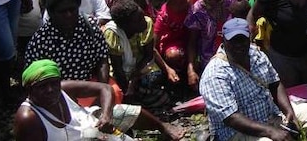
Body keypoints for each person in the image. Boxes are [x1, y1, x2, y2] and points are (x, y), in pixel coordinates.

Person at [199, 18, 307, 141]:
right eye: (233, 41)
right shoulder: (215, 74)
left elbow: (275, 83)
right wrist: (270, 131)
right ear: (224, 41)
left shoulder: (255, 53)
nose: (239, 45)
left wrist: (288, 111)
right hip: (237, 132)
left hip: (271, 114)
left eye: (243, 39)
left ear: (249, 38)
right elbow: (231, 118)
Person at [15, 59, 183, 140]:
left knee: (122, 111)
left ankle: (162, 126)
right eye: (42, 87)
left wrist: (107, 115)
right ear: (29, 90)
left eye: (53, 83)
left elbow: (105, 88)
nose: (50, 90)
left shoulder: (63, 89)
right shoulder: (28, 118)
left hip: (92, 127)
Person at [25, 0, 110, 83]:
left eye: (72, 10)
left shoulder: (90, 26)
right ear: (51, 13)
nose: (69, 15)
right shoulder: (40, 42)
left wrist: (102, 88)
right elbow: (36, 79)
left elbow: (102, 60)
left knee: (114, 92)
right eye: (63, 11)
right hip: (57, 91)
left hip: (90, 84)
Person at [185, 0, 247, 89]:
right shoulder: (198, 9)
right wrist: (191, 69)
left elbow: (249, 29)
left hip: (237, 58)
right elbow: (192, 41)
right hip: (211, 62)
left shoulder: (236, 0)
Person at [104, 0, 163, 106]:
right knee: (120, 91)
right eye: (139, 20)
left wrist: (133, 80)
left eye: (143, 16)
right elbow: (118, 68)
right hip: (121, 73)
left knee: (154, 78)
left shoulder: (147, 24)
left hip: (140, 67)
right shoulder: (113, 33)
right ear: (125, 26)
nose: (144, 21)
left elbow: (148, 56)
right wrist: (127, 87)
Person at [154, 0, 190, 84]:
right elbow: (153, 47)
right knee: (174, 55)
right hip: (174, 47)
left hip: (192, 41)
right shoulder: (164, 15)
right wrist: (167, 69)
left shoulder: (193, 1)